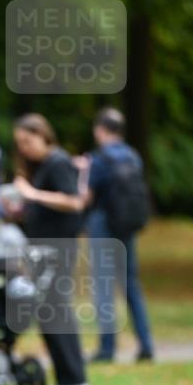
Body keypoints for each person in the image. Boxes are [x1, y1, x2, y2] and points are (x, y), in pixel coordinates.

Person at [9, 114, 92, 385]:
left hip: (59, 246)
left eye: (28, 141)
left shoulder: (58, 162)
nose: (24, 148)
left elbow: (74, 201)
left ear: (44, 136)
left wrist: (32, 194)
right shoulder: (40, 166)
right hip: (40, 247)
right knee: (48, 312)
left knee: (56, 311)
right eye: (19, 143)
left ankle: (75, 380)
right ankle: (67, 380)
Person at [81, 108, 154, 363]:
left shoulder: (99, 158)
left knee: (103, 285)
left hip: (103, 223)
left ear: (100, 129)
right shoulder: (133, 157)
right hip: (126, 225)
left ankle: (107, 347)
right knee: (130, 284)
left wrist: (81, 174)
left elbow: (86, 196)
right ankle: (146, 344)